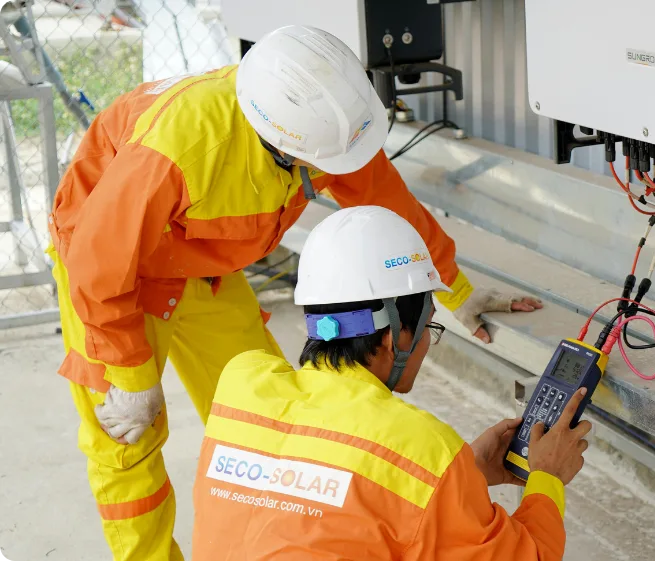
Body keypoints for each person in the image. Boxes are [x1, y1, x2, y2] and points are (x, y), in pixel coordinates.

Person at [48, 25, 541, 561]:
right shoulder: (178, 151)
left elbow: (387, 205)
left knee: (277, 420)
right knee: (126, 441)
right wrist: (130, 372)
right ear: (282, 147)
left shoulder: (322, 128)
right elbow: (99, 264)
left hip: (198, 265)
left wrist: (452, 287)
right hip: (108, 277)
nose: (336, 173)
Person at [190, 206, 590, 560]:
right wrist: (547, 477)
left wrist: (462, 476)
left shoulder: (242, 386)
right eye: (429, 326)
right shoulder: (422, 448)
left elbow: (324, 494)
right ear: (394, 337)